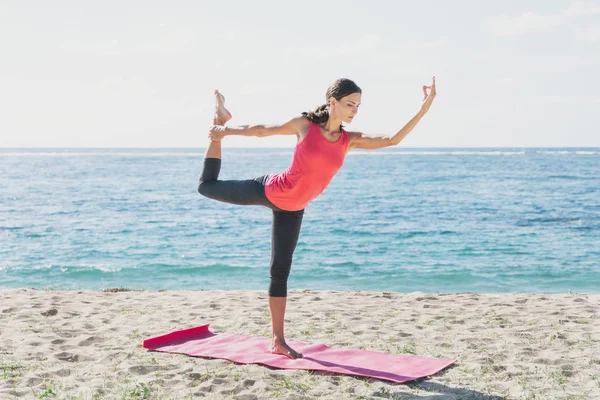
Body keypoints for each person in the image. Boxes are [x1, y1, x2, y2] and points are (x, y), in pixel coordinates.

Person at [198, 77, 437, 359]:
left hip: (294, 208)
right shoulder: (305, 125)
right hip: (270, 190)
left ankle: (278, 340)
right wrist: (224, 131)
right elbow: (261, 131)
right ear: (332, 102)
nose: (354, 110)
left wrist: (424, 107)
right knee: (207, 187)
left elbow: (393, 139)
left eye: (358, 106)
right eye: (349, 104)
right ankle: (218, 117)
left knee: (280, 271)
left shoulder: (350, 140)